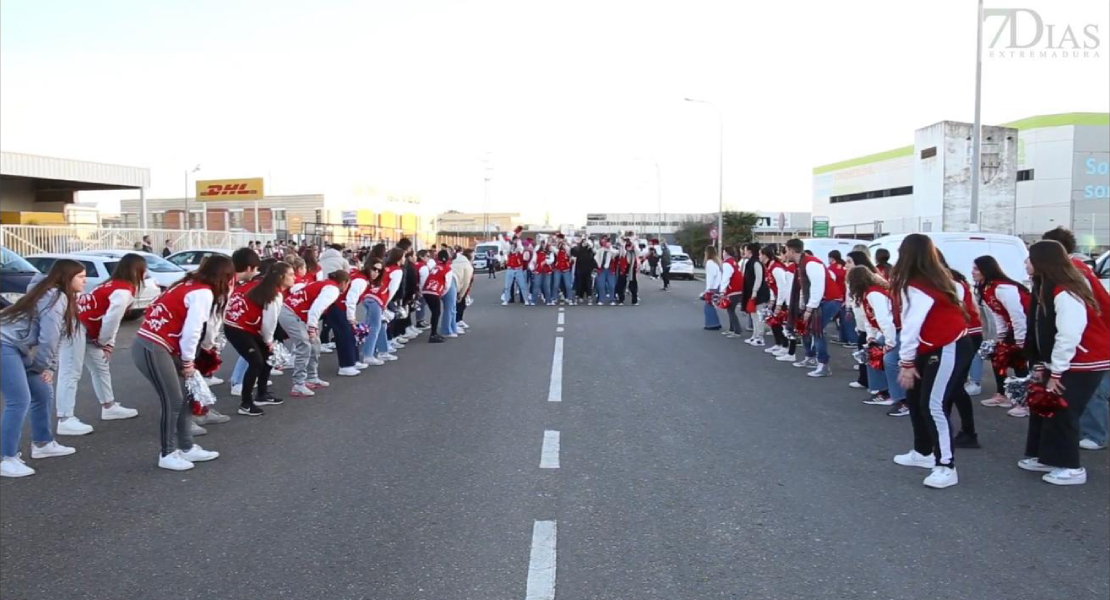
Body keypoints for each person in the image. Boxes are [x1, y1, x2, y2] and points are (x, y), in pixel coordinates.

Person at [1019, 240, 1109, 485]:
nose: (1025, 263)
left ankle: (1071, 468)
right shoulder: (1045, 286)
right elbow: (1039, 329)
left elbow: (1069, 333)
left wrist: (1056, 371)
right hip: (1066, 360)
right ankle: (1046, 456)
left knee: (1063, 410)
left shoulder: (1064, 289)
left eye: (1029, 258)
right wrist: (1040, 363)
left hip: (1083, 360)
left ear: (1042, 261)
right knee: (1045, 407)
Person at [890, 234, 973, 489]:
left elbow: (911, 325)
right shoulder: (937, 279)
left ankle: (946, 465)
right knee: (916, 401)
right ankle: (923, 452)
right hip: (934, 346)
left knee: (933, 404)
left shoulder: (920, 285)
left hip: (948, 346)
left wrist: (905, 363)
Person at [133, 256, 230, 471]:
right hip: (153, 345)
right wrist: (188, 362)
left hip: (158, 345)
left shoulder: (189, 284)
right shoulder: (202, 292)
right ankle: (167, 453)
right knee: (174, 401)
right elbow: (192, 331)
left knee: (185, 396)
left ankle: (186, 447)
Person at [0, 260, 84, 477]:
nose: (85, 281)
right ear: (67, 278)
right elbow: (49, 338)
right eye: (81, 277)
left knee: (41, 391)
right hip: (5, 343)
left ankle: (43, 443)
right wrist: (41, 367)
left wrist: (48, 368)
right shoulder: (56, 297)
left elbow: (53, 338)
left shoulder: (49, 292)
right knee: (19, 400)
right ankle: (6, 458)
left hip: (16, 344)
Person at [55, 253, 145, 436]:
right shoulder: (123, 290)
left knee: (100, 367)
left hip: (84, 327)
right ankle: (65, 418)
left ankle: (109, 406)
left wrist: (104, 342)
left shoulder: (109, 284)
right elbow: (112, 319)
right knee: (70, 371)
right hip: (77, 327)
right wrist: (106, 343)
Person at [1041, 226, 1110, 451]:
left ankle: (1095, 434)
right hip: (1095, 335)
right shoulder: (1073, 270)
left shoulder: (1073, 272)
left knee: (1094, 391)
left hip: (1093, 339)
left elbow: (1076, 316)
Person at [224, 261, 294, 416]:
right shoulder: (273, 294)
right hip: (237, 327)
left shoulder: (261, 284)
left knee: (268, 357)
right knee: (256, 361)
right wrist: (268, 341)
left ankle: (262, 394)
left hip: (244, 325)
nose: (293, 277)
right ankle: (246, 404)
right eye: (290, 274)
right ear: (281, 277)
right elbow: (270, 322)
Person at [974, 255, 1031, 416]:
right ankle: (1003, 394)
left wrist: (1020, 340)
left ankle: (1024, 402)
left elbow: (1018, 315)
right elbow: (997, 313)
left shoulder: (1003, 288)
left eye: (976, 269)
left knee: (1019, 362)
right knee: (997, 357)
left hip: (1025, 326)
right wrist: (1001, 336)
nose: (973, 272)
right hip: (1012, 327)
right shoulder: (985, 288)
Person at [280, 269, 348, 398]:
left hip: (295, 312)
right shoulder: (332, 289)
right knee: (304, 345)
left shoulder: (324, 283)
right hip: (292, 313)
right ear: (344, 282)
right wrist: (312, 327)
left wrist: (312, 328)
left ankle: (312, 377)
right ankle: (298, 384)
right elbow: (316, 309)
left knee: (315, 344)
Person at [847, 265, 904, 414]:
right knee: (870, 353)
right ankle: (883, 390)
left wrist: (889, 343)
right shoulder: (866, 294)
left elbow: (885, 319)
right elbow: (869, 319)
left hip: (898, 330)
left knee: (889, 359)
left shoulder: (874, 294)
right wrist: (871, 338)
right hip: (887, 331)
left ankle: (902, 400)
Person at [784, 238, 839, 378]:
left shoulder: (811, 263)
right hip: (820, 301)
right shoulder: (802, 264)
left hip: (828, 301)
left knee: (816, 330)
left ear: (791, 250)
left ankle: (823, 364)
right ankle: (811, 357)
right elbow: (805, 288)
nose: (785, 254)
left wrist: (809, 308)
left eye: (786, 250)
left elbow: (817, 287)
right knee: (806, 330)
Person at [360, 250, 405, 365]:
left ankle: (381, 350)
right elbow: (392, 289)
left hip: (370, 297)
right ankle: (368, 354)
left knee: (380, 325)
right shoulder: (396, 271)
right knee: (375, 327)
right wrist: (385, 304)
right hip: (378, 298)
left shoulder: (386, 268)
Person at [760, 246, 793, 359]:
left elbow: (782, 287)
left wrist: (779, 304)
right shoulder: (769, 267)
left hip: (784, 299)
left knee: (781, 324)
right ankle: (778, 344)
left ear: (765, 255)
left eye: (760, 254)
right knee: (774, 322)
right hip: (777, 298)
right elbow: (771, 285)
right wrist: (772, 300)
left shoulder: (776, 268)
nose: (759, 257)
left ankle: (785, 346)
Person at [422, 250, 454, 343]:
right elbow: (447, 284)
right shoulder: (447, 268)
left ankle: (434, 333)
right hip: (435, 291)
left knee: (435, 312)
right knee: (436, 313)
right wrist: (442, 293)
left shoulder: (435, 267)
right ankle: (433, 334)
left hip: (426, 290)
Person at [741, 243, 769, 346]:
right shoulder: (749, 262)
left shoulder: (756, 263)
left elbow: (759, 278)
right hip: (751, 292)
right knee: (753, 315)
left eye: (745, 250)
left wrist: (754, 291)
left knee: (759, 316)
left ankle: (760, 337)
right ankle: (754, 335)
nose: (744, 252)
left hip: (759, 294)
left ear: (750, 251)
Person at [718, 246, 743, 338]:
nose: (722, 254)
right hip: (737, 289)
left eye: (723, 252)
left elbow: (726, 278)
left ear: (726, 252)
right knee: (730, 309)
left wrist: (722, 291)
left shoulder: (727, 264)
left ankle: (737, 330)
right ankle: (732, 329)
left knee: (731, 310)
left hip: (732, 290)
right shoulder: (734, 262)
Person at [453, 248, 475, 330]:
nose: (474, 257)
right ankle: (455, 322)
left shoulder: (458, 262)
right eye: (473, 255)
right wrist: (461, 295)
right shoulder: (466, 265)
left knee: (461, 304)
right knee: (458, 304)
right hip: (459, 286)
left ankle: (459, 320)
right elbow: (466, 281)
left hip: (458, 286)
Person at [702, 245, 723, 330]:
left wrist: (707, 289)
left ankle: (712, 323)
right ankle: (714, 322)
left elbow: (710, 277)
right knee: (711, 305)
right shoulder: (717, 262)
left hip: (713, 287)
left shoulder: (709, 262)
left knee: (708, 306)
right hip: (717, 285)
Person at [530, 240, 554, 306]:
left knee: (547, 286)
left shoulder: (550, 252)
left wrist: (546, 261)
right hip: (538, 270)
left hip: (547, 271)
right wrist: (532, 266)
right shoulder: (537, 252)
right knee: (536, 285)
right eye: (542, 244)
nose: (544, 245)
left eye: (545, 244)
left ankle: (548, 300)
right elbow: (533, 260)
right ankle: (533, 301)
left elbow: (552, 260)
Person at [552, 237, 575, 305]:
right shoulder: (557, 251)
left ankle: (569, 298)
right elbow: (552, 248)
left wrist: (565, 244)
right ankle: (554, 298)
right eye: (561, 244)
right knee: (556, 285)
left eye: (563, 244)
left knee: (568, 285)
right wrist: (557, 243)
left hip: (566, 269)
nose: (562, 245)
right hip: (558, 269)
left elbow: (569, 251)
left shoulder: (567, 251)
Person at [573, 238, 596, 304]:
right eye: (584, 242)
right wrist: (581, 246)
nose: (586, 243)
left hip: (588, 269)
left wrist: (590, 246)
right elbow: (574, 252)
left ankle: (589, 297)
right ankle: (579, 296)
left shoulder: (590, 249)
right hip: (579, 269)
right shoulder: (579, 248)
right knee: (579, 284)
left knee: (588, 284)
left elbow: (595, 253)